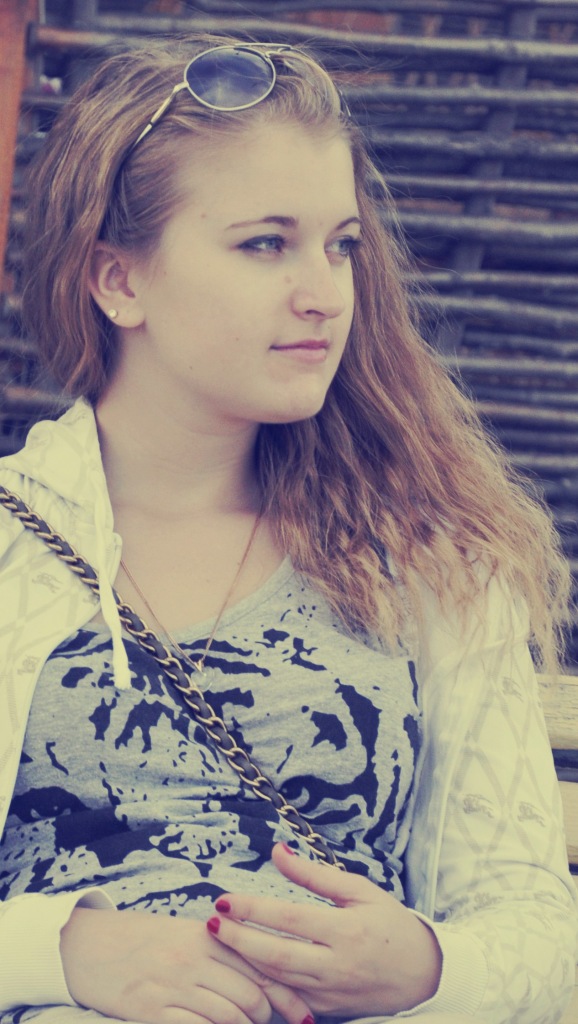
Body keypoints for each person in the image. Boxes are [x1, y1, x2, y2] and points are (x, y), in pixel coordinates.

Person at [0, 31, 575, 1024]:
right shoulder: (15, 543)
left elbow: (538, 927)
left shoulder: (425, 556)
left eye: (339, 245)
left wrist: (430, 966)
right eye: (264, 243)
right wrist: (63, 950)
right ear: (118, 280)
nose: (325, 294)